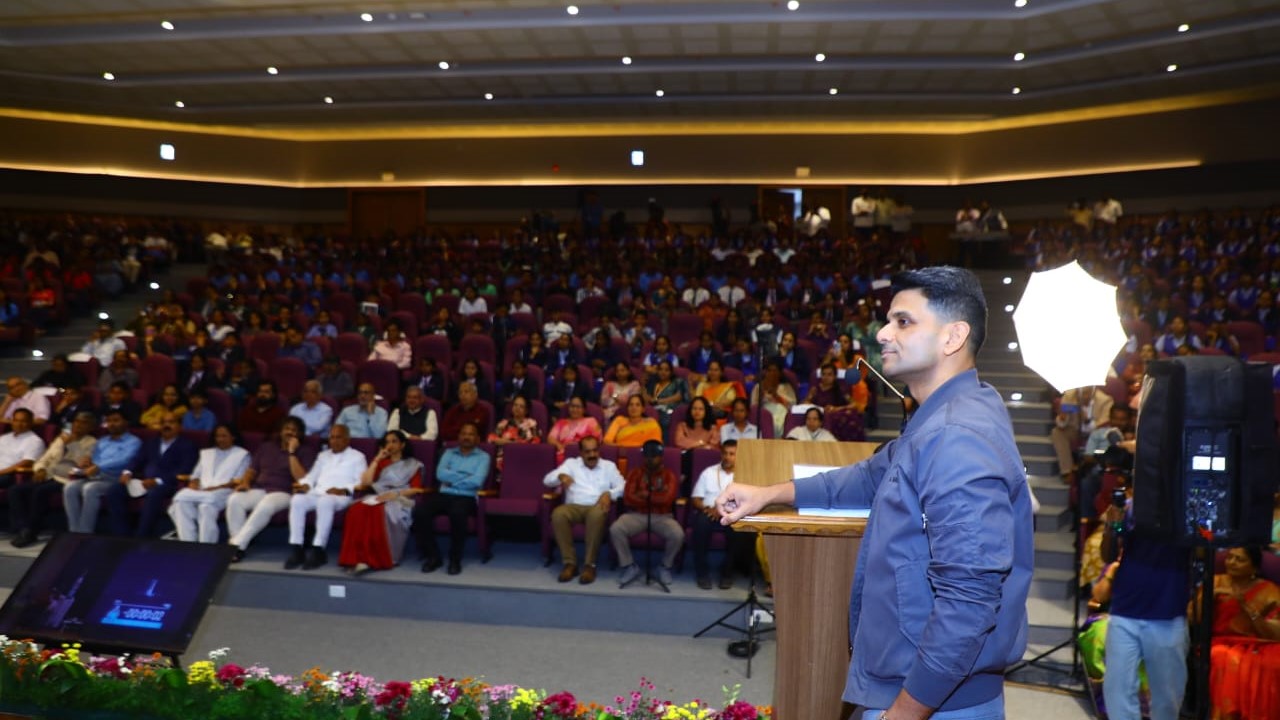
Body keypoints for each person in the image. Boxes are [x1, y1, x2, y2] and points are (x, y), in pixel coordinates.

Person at [717, 266, 1033, 720]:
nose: (883, 333)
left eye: (903, 322)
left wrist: (903, 714)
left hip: (929, 702)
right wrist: (769, 493)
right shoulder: (947, 415)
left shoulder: (956, 436)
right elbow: (868, 478)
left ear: (952, 337)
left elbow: (969, 602)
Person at [1099, 443, 1190, 720]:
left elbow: (1201, 550)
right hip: (1125, 611)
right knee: (1117, 692)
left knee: (1166, 699)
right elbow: (1108, 555)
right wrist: (1110, 526)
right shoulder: (1129, 508)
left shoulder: (1185, 509)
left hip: (1167, 614)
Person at [226, 416, 316, 562]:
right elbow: (252, 470)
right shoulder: (267, 446)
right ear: (281, 431)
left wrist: (291, 453)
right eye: (287, 428)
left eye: (294, 430)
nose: (290, 432)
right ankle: (239, 543)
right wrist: (245, 483)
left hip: (284, 492)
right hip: (260, 488)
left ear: (299, 434)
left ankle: (236, 546)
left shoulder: (305, 451)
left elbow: (302, 479)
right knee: (235, 499)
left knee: (266, 504)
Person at [1207, 546, 1280, 720]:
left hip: (1261, 643)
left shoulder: (1270, 591)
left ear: (1254, 568)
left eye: (1239, 559)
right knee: (1227, 657)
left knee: (1274, 663)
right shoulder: (1215, 582)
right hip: (1221, 642)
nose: (1231, 562)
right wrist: (1212, 596)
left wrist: (1246, 607)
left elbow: (1274, 633)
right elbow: (1193, 617)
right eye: (1230, 557)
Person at [339, 430, 425, 575]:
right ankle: (358, 558)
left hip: (401, 498)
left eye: (394, 441)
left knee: (382, 511)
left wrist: (395, 494)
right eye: (387, 442)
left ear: (402, 444)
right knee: (357, 509)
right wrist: (377, 459)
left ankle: (380, 558)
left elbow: (416, 489)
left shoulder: (413, 464)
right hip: (378, 496)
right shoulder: (382, 463)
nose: (389, 445)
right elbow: (366, 482)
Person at [285, 423, 369, 571]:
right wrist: (305, 485)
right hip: (318, 492)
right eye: (331, 437)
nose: (334, 441)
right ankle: (296, 548)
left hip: (341, 496)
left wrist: (343, 490)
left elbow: (360, 483)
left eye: (338, 437)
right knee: (297, 499)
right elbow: (312, 476)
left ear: (347, 439)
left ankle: (318, 549)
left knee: (325, 502)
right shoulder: (323, 455)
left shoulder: (358, 457)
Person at [543, 435, 625, 585]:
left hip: (596, 506)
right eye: (587, 452)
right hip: (573, 506)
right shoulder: (571, 464)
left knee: (597, 514)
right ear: (580, 453)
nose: (592, 455)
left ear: (599, 451)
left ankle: (589, 565)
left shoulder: (609, 466)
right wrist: (560, 476)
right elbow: (547, 480)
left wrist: (609, 493)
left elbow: (623, 486)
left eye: (595, 451)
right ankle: (570, 564)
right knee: (558, 514)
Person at [103, 411, 198, 537]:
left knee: (154, 493)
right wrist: (127, 472)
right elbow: (137, 459)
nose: (166, 425)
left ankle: (141, 535)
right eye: (163, 422)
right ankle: (122, 534)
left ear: (180, 426)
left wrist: (158, 481)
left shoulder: (187, 445)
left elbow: (185, 469)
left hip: (169, 484)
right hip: (144, 482)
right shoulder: (151, 442)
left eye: (171, 422)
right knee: (114, 490)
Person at [413, 422, 491, 575]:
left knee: (457, 514)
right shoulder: (448, 453)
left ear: (477, 438)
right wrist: (465, 477)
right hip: (444, 494)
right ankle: (433, 556)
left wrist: (453, 477)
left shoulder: (484, 457)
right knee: (420, 512)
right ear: (458, 436)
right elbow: (440, 475)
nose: (466, 437)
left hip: (466, 497)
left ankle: (455, 559)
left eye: (470, 434)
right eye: (463, 433)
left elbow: (477, 481)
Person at [609, 439, 683, 587]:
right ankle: (629, 565)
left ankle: (664, 566)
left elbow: (667, 500)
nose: (650, 459)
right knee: (616, 529)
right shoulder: (635, 473)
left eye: (654, 456)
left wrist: (645, 495)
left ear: (661, 457)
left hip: (662, 516)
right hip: (636, 515)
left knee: (677, 534)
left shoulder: (669, 475)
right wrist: (654, 496)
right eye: (647, 456)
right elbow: (629, 499)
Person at [167, 424, 251, 543]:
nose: (220, 439)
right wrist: (194, 485)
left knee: (198, 504)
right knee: (182, 504)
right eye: (218, 436)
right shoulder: (206, 453)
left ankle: (206, 544)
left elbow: (237, 480)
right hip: (202, 491)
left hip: (223, 492)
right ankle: (188, 542)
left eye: (224, 436)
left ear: (233, 437)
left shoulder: (242, 454)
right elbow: (195, 476)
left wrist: (214, 488)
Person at [65, 408, 141, 534]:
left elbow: (125, 460)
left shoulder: (133, 441)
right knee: (70, 487)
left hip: (115, 478)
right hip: (95, 475)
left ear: (126, 422)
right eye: (109, 421)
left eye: (116, 420)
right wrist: (87, 462)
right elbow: (95, 459)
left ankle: (84, 532)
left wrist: (99, 467)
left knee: (90, 488)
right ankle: (74, 530)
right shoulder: (103, 440)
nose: (111, 424)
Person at [690, 440, 742, 589]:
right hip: (708, 511)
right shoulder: (709, 472)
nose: (727, 457)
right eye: (725, 453)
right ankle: (702, 573)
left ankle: (727, 573)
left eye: (732, 454)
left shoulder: (743, 475)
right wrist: (706, 508)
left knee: (738, 531)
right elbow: (696, 499)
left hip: (733, 512)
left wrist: (723, 510)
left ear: (738, 456)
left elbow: (747, 501)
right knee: (700, 525)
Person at [488, 395, 541, 471]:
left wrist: (509, 443)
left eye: (521, 406)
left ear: (526, 411)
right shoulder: (504, 423)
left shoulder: (532, 424)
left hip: (523, 458)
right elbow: (491, 438)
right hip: (503, 459)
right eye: (515, 405)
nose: (517, 408)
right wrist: (502, 441)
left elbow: (536, 442)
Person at [0, 409, 47, 494]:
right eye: (16, 420)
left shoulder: (34, 441)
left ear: (31, 422)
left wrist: (1, 472)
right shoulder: (4, 438)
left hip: (9, 475)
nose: (18, 424)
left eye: (23, 421)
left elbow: (26, 463)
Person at [546, 396, 603, 464]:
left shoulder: (591, 421)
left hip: (586, 454)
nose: (575, 409)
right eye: (572, 406)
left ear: (584, 409)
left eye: (578, 407)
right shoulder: (561, 423)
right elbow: (550, 438)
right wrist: (559, 446)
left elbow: (598, 439)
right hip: (564, 455)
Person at [750, 361, 796, 438]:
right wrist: (761, 396)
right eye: (769, 370)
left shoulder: (786, 387)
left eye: (774, 371)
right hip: (764, 414)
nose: (772, 373)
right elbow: (753, 407)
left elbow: (792, 406)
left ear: (779, 373)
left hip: (782, 413)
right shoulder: (758, 387)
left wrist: (776, 396)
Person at [644, 359, 689, 438]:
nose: (663, 372)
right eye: (660, 369)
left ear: (671, 372)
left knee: (664, 420)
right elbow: (647, 397)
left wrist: (658, 401)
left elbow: (678, 397)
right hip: (654, 410)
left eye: (666, 370)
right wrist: (643, 386)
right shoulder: (653, 382)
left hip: (670, 410)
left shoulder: (677, 382)